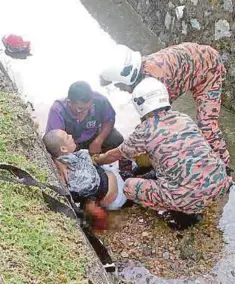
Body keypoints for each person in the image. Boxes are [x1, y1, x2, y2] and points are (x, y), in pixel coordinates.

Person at [93, 77, 233, 221]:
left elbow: (115, 155)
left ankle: (179, 211)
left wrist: (97, 160)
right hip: (218, 184)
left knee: (128, 186)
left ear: (140, 104)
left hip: (188, 198)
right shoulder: (183, 118)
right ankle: (192, 202)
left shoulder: (144, 130)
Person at [99, 42, 230, 168]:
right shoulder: (138, 68)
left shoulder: (156, 81)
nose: (120, 89)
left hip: (208, 68)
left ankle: (225, 169)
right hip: (190, 63)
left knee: (207, 126)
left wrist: (126, 154)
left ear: (127, 79)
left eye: (118, 85)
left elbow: (155, 124)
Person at [43, 129, 127, 231]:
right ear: (63, 149)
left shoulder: (69, 160)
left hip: (108, 179)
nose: (70, 135)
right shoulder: (79, 178)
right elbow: (90, 203)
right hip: (118, 196)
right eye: (67, 137)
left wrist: (56, 159)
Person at [46, 81, 124, 155]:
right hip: (72, 143)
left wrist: (99, 140)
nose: (84, 112)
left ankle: (123, 168)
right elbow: (54, 143)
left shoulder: (100, 100)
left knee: (117, 140)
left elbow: (109, 120)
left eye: (88, 108)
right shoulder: (58, 110)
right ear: (69, 102)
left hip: (93, 136)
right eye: (80, 108)